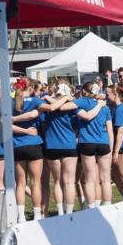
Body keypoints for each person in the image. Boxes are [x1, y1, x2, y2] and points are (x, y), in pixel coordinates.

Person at [39, 80, 82, 215]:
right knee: (69, 182)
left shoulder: (47, 107)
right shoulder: (72, 107)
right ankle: (69, 212)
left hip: (51, 146)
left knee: (57, 181)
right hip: (68, 145)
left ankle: (60, 212)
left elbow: (42, 123)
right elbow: (77, 125)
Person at [74, 83, 114, 208]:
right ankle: (107, 206)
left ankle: (91, 208)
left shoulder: (81, 105)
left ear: (84, 92)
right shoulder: (105, 108)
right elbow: (110, 130)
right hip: (104, 143)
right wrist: (111, 149)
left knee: (89, 180)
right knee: (106, 179)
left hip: (87, 142)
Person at [10, 79, 45, 222]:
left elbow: (7, 124)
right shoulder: (35, 101)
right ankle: (37, 214)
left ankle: (21, 216)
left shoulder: (11, 103)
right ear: (30, 88)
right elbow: (40, 112)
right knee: (35, 183)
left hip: (17, 145)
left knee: (20, 183)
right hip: (33, 144)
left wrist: (21, 129)